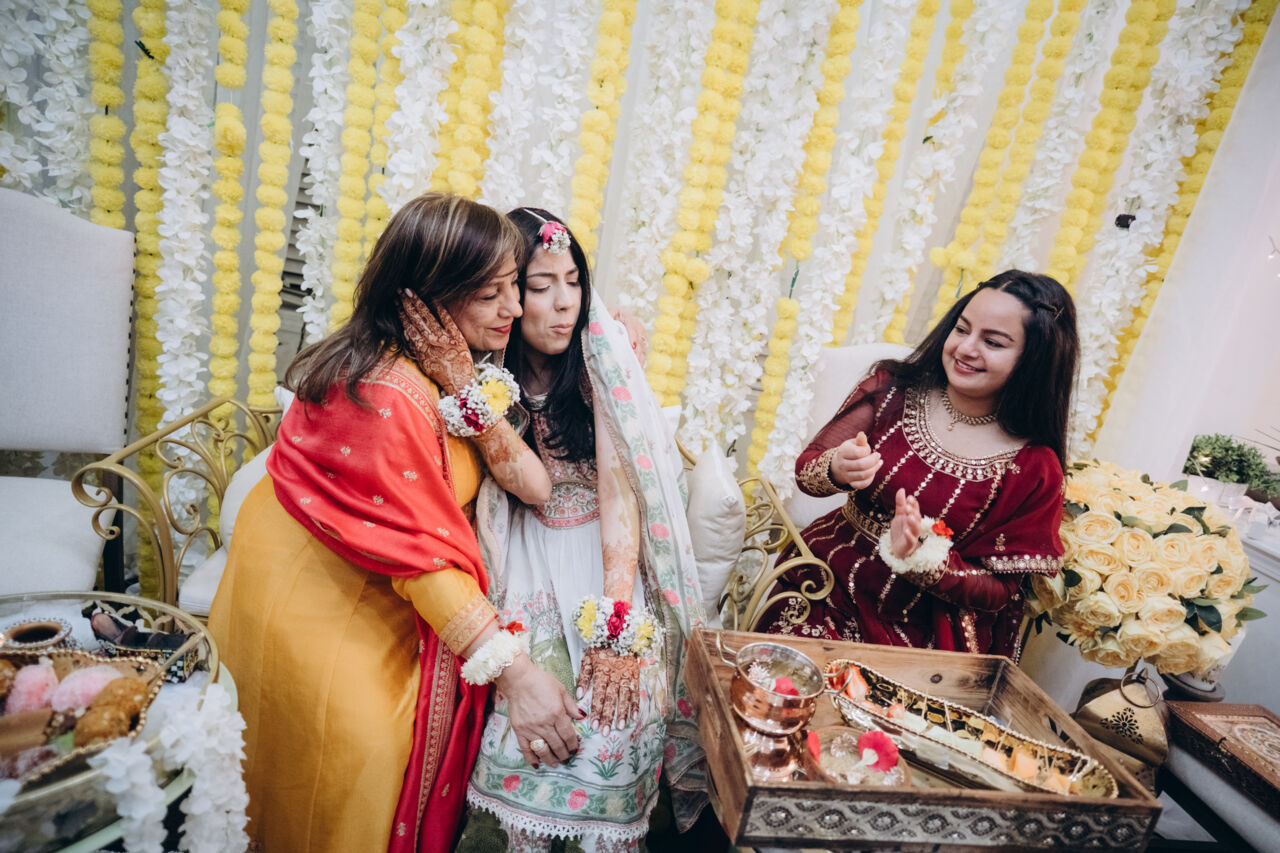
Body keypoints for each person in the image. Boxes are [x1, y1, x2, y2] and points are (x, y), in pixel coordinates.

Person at [208, 194, 585, 853]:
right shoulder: (385, 394)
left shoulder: (437, 369)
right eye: (492, 294)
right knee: (362, 767)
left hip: (361, 587)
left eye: (514, 287)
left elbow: (533, 486)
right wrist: (517, 674)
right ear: (429, 298)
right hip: (315, 611)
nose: (515, 308)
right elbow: (422, 561)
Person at [457, 208, 706, 852]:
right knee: (527, 730)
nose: (564, 303)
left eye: (574, 281)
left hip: (604, 552)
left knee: (612, 722)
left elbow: (622, 493)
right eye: (541, 286)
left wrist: (616, 622)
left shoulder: (600, 355)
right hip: (524, 552)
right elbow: (522, 486)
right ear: (508, 293)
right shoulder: (480, 368)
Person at [761, 270, 1078, 659]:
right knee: (794, 676)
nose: (966, 348)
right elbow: (807, 471)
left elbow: (999, 591)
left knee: (870, 697)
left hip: (921, 626)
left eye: (992, 342)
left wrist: (920, 557)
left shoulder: (1033, 466)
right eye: (962, 329)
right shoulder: (893, 390)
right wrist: (836, 469)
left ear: (1034, 361)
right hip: (827, 581)